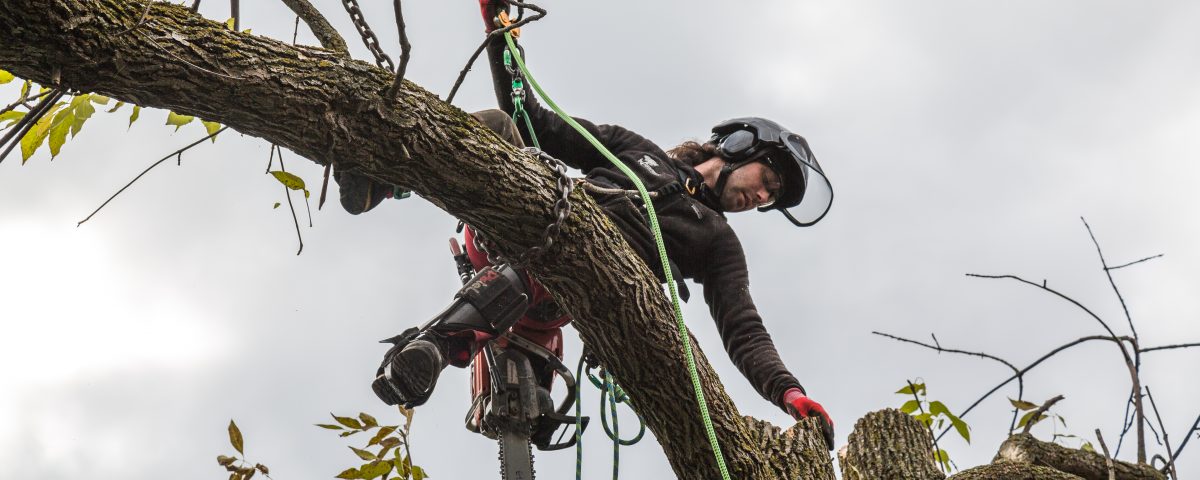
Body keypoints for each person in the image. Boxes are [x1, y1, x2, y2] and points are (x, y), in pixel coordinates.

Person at [356, 0, 837, 448]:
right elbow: (535, 122)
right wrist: (501, 31)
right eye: (767, 180)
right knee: (503, 128)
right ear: (739, 147)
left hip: (579, 288)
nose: (761, 197)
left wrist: (788, 393)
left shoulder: (718, 242)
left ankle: (434, 351)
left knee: (549, 268)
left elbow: (743, 328)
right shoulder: (637, 152)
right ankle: (378, 175)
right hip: (525, 222)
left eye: (771, 198)